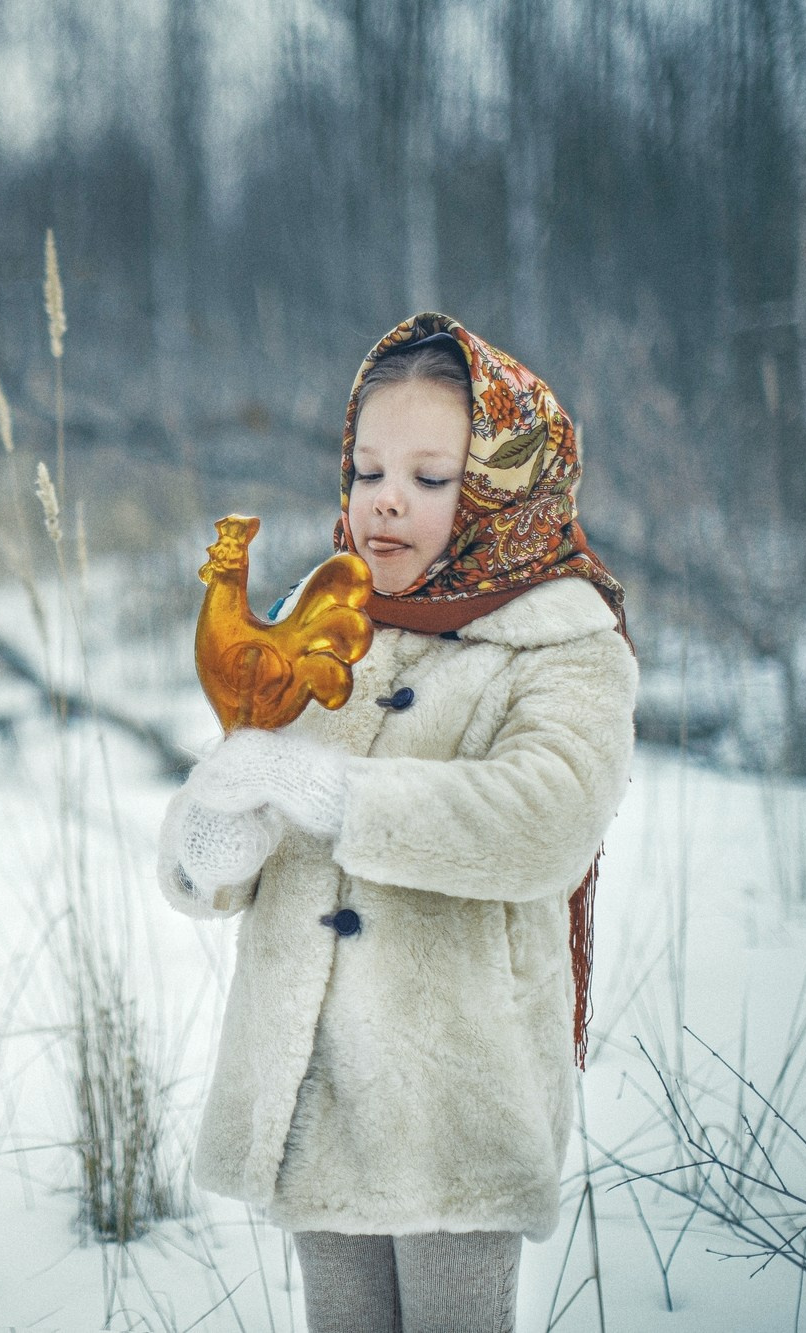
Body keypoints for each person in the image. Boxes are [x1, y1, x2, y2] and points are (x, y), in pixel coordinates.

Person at [156, 312, 638, 1333]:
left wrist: (324, 792)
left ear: (503, 484)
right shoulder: (325, 616)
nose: (384, 502)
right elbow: (241, 825)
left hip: (452, 1101)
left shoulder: (563, 641)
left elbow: (543, 816)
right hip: (313, 1090)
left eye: (429, 477)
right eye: (366, 470)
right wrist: (217, 826)